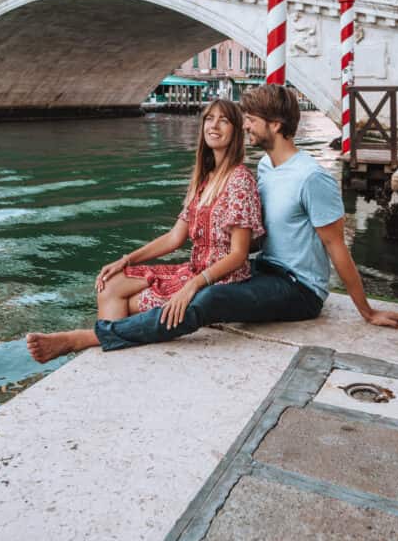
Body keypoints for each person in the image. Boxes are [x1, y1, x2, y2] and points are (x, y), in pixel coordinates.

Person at [26, 85, 398, 363]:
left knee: (206, 300)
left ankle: (87, 339)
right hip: (264, 269)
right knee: (138, 286)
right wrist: (128, 257)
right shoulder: (265, 166)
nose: (245, 127)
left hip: (299, 288)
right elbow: (215, 234)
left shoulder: (310, 177)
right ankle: (115, 345)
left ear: (276, 124)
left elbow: (336, 248)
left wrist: (366, 311)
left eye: (250, 121)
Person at [26, 100, 264, 361]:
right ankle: (110, 349)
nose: (214, 125)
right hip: (193, 271)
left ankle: (91, 345)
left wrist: (193, 286)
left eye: (224, 120)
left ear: (235, 131)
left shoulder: (240, 180)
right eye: (209, 118)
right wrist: (126, 260)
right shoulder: (205, 180)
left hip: (219, 283)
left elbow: (239, 255)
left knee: (127, 303)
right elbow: (175, 237)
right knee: (110, 283)